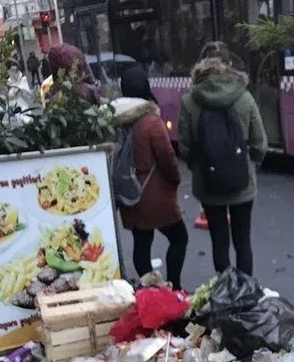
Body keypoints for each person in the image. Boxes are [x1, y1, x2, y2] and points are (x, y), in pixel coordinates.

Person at [179, 41, 268, 276]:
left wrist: (200, 167)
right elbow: (260, 144)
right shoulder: (244, 97)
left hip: (208, 185)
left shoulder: (190, 100)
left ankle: (225, 292)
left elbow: (185, 147)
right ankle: (245, 292)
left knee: (219, 242)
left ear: (201, 65)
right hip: (242, 183)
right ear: (229, 64)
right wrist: (248, 165)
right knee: (243, 241)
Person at [114, 64, 189, 289]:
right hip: (154, 194)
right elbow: (167, 158)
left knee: (142, 241)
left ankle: (150, 288)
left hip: (129, 192)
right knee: (179, 238)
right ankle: (173, 286)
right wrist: (175, 181)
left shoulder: (117, 120)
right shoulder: (151, 122)